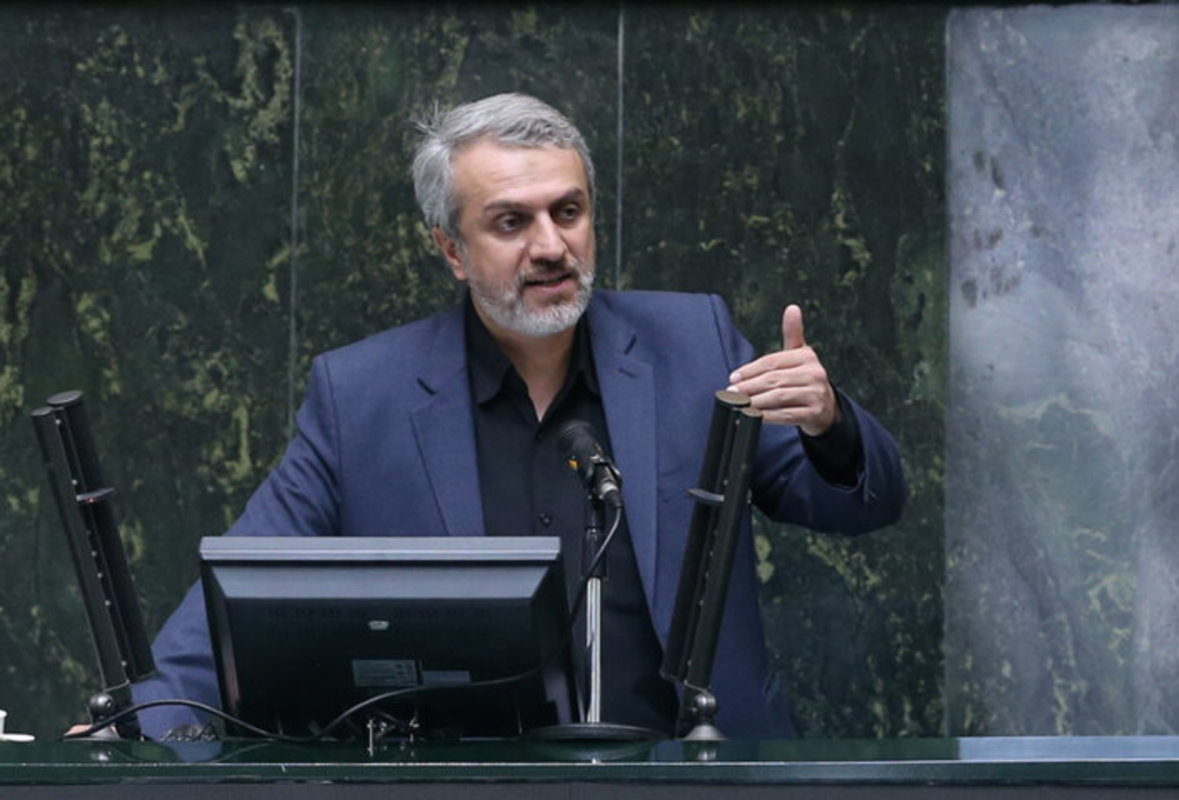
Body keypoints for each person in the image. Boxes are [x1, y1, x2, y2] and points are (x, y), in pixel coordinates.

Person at [131, 93, 906, 740]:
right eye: (511, 223)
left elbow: (858, 504)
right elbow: (241, 588)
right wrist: (135, 729)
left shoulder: (692, 346)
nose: (551, 246)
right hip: (471, 785)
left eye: (568, 211)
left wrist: (828, 423)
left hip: (693, 774)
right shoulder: (364, 396)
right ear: (451, 250)